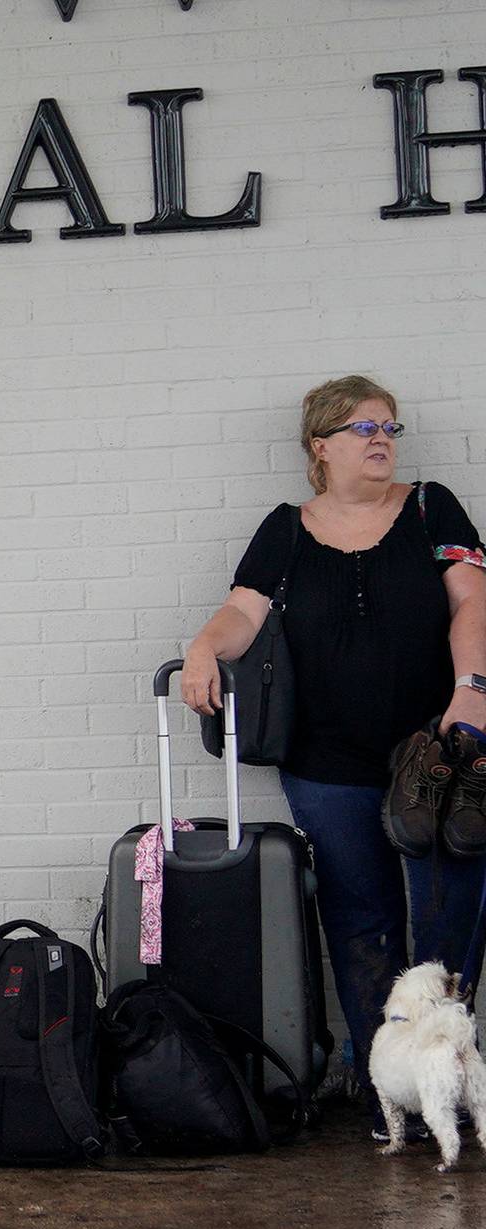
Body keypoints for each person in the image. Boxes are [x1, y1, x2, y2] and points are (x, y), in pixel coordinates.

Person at [182, 376, 486, 1130]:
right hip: (324, 762)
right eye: (361, 428)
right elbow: (241, 612)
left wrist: (474, 690)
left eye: (389, 426)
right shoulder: (286, 527)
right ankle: (392, 1095)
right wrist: (201, 649)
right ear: (320, 446)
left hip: (437, 753)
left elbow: (473, 598)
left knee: (449, 916)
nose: (381, 438)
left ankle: (449, 1079)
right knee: (361, 924)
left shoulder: (429, 507)